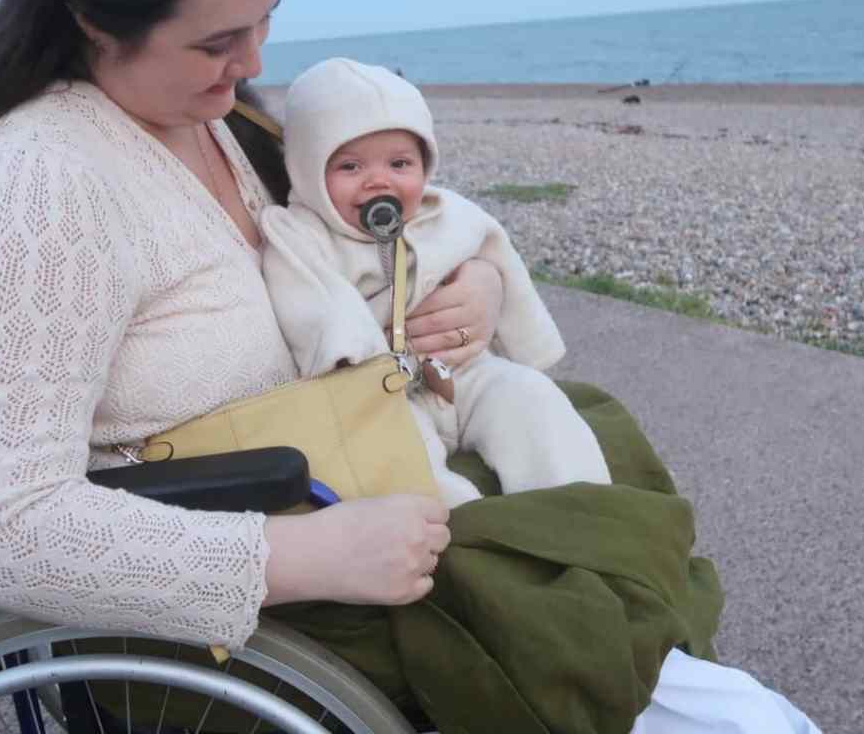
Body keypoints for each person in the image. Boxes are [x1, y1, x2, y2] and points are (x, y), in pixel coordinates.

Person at [0, 0, 820, 733]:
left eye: (263, 21)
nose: (253, 62)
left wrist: (478, 284)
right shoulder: (37, 188)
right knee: (619, 631)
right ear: (91, 16)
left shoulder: (211, 122)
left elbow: (352, 241)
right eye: (216, 42)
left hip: (342, 479)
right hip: (228, 620)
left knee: (589, 448)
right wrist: (297, 558)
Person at [260, 57, 612, 507]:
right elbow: (314, 304)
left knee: (532, 398)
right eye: (350, 167)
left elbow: (497, 254)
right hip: (380, 397)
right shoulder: (300, 235)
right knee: (396, 456)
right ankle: (462, 522)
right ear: (307, 170)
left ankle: (580, 505)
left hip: (461, 371)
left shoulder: (447, 213)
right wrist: (358, 362)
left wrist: (529, 347)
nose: (378, 180)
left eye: (400, 163)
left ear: (425, 166)